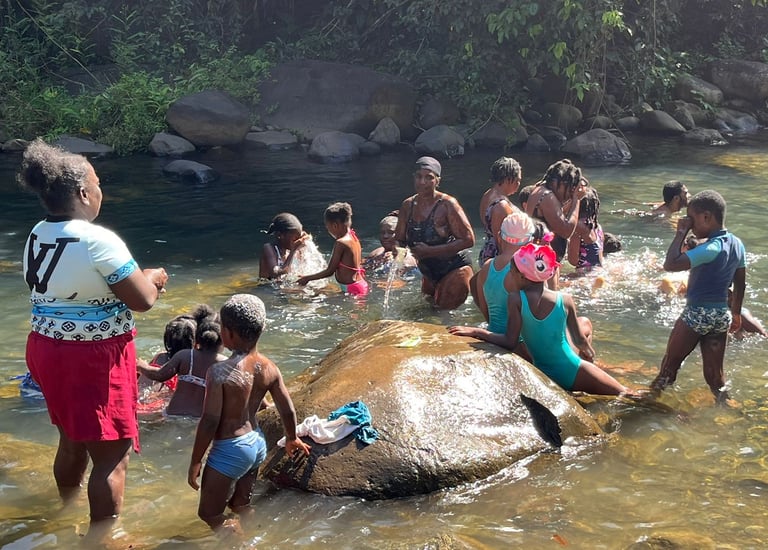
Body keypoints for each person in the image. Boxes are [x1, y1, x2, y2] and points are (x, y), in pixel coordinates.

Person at [19, 139, 168, 527]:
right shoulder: (98, 238)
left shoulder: (37, 233)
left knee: (71, 438)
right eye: (98, 183)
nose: (101, 190)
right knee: (111, 456)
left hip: (46, 347)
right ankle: (102, 537)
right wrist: (153, 277)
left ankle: (64, 515)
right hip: (92, 356)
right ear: (84, 192)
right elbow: (143, 300)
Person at [188, 294, 311, 534]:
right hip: (256, 443)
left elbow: (210, 420)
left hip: (231, 449)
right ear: (262, 329)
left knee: (210, 514)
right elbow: (286, 407)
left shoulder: (219, 373)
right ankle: (257, 533)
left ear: (228, 333)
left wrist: (195, 461)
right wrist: (291, 437)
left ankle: (237, 540)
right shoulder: (269, 367)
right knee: (240, 504)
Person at [452, 243, 632, 395]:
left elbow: (509, 340)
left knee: (627, 395)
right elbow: (579, 340)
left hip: (544, 373)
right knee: (626, 394)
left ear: (522, 276)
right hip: (573, 370)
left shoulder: (516, 299)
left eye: (512, 271)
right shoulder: (565, 300)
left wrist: (476, 332)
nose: (509, 274)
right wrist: (591, 357)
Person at [651, 190, 746, 404]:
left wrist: (681, 233)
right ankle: (726, 408)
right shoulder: (737, 244)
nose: (690, 224)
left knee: (669, 367)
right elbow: (740, 283)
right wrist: (737, 313)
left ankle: (646, 405)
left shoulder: (711, 248)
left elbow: (671, 264)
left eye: (692, 219)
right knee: (715, 376)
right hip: (721, 315)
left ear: (706, 217)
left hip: (697, 314)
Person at [395, 156, 475, 309]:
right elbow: (399, 240)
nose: (422, 182)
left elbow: (468, 239)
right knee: (426, 312)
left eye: (429, 177)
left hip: (454, 269)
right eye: (418, 176)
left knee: (441, 314)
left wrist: (430, 251)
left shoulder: (447, 205)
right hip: (428, 271)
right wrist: (398, 253)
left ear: (438, 180)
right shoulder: (408, 205)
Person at [138, 306, 228, 416]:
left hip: (171, 412)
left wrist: (141, 366)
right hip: (200, 416)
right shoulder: (225, 364)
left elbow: (159, 375)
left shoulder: (177, 357)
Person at [525, 158, 588, 288]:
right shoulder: (547, 197)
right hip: (542, 262)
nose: (570, 193)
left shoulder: (540, 189)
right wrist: (577, 200)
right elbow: (566, 231)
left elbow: (556, 215)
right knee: (550, 301)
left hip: (539, 259)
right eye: (570, 189)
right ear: (559, 182)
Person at [297, 202, 369, 295]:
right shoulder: (353, 236)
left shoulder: (341, 243)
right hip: (359, 285)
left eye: (328, 227)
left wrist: (307, 278)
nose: (328, 230)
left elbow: (330, 271)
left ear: (335, 225)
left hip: (352, 289)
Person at [136, 313, 197, 394]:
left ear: (167, 340)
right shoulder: (195, 363)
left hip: (144, 396)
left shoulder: (160, 357)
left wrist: (142, 366)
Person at [478, 156, 523, 264]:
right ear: (508, 179)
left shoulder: (487, 195)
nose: (518, 184)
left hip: (488, 249)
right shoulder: (501, 206)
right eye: (517, 180)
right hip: (498, 256)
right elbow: (500, 240)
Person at [363, 212, 417, 276]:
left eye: (391, 232)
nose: (385, 236)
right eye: (382, 232)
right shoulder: (376, 253)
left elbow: (399, 281)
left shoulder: (407, 260)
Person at [259, 213, 310, 279]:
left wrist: (306, 246)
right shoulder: (269, 248)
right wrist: (293, 250)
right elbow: (275, 273)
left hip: (284, 287)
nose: (297, 242)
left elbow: (304, 269)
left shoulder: (293, 250)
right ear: (280, 235)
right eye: (294, 239)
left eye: (298, 238)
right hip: (267, 288)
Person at [567, 183, 604, 271]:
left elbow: (573, 261)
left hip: (585, 274)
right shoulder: (597, 226)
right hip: (599, 270)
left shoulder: (578, 227)